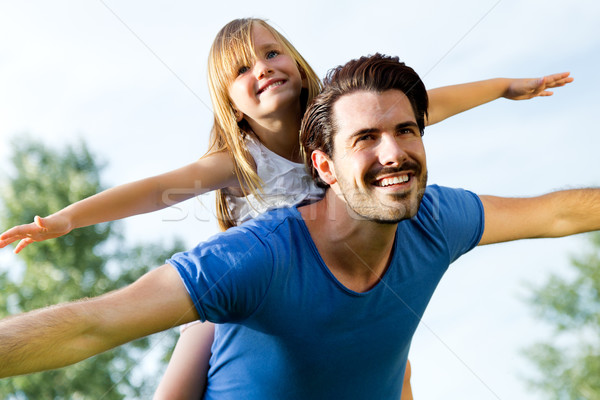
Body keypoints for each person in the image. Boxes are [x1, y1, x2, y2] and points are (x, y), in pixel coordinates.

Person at [0, 18, 573, 399]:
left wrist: (503, 86)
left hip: (344, 285)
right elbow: (155, 189)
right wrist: (67, 218)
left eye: (272, 52)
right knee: (187, 360)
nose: (263, 67)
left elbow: (431, 103)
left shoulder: (345, 121)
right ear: (230, 101)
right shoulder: (236, 159)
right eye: (242, 70)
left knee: (395, 371)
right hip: (251, 288)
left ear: (298, 64)